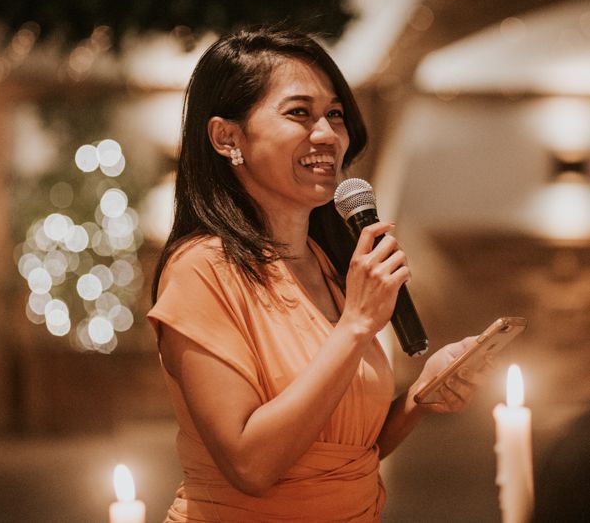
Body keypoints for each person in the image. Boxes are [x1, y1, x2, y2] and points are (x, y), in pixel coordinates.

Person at [148, 26, 487, 522]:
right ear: (227, 137)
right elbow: (251, 464)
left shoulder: (327, 263)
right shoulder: (202, 268)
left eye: (334, 114)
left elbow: (339, 456)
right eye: (299, 113)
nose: (328, 134)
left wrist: (419, 397)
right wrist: (355, 325)